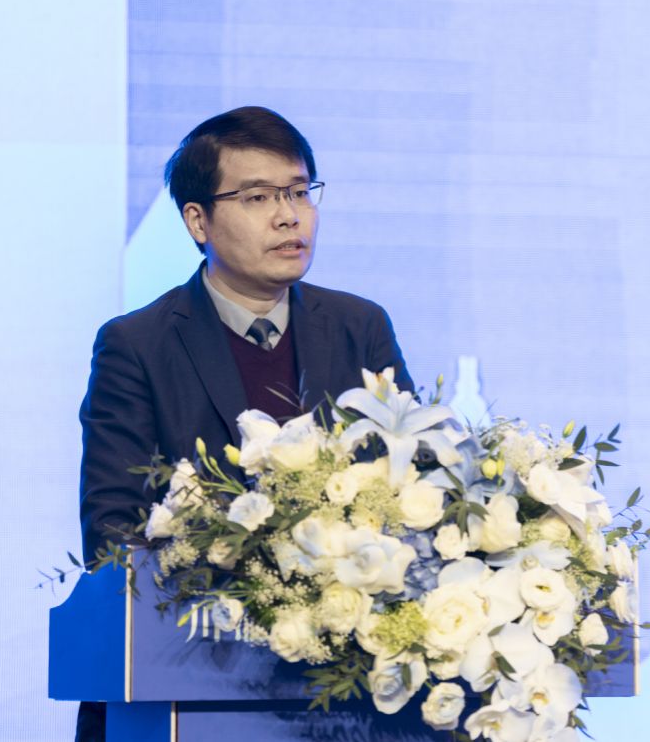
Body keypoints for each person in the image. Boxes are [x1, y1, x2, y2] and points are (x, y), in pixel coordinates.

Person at [75, 106, 414, 741]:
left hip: (346, 694)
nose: (289, 216)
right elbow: (113, 533)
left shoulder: (359, 327)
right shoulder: (138, 345)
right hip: (191, 688)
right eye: (258, 197)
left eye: (299, 192)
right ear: (197, 220)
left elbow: (412, 485)